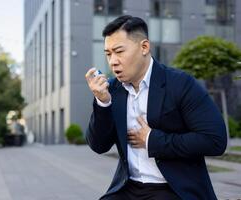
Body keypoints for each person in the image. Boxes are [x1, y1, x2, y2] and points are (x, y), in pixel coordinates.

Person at [85, 15, 227, 200]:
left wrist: (153, 140)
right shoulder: (112, 91)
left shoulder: (180, 84)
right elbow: (98, 145)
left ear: (144, 47)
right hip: (128, 187)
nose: (113, 61)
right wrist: (102, 102)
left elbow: (215, 140)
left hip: (174, 188)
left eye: (119, 51)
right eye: (108, 54)